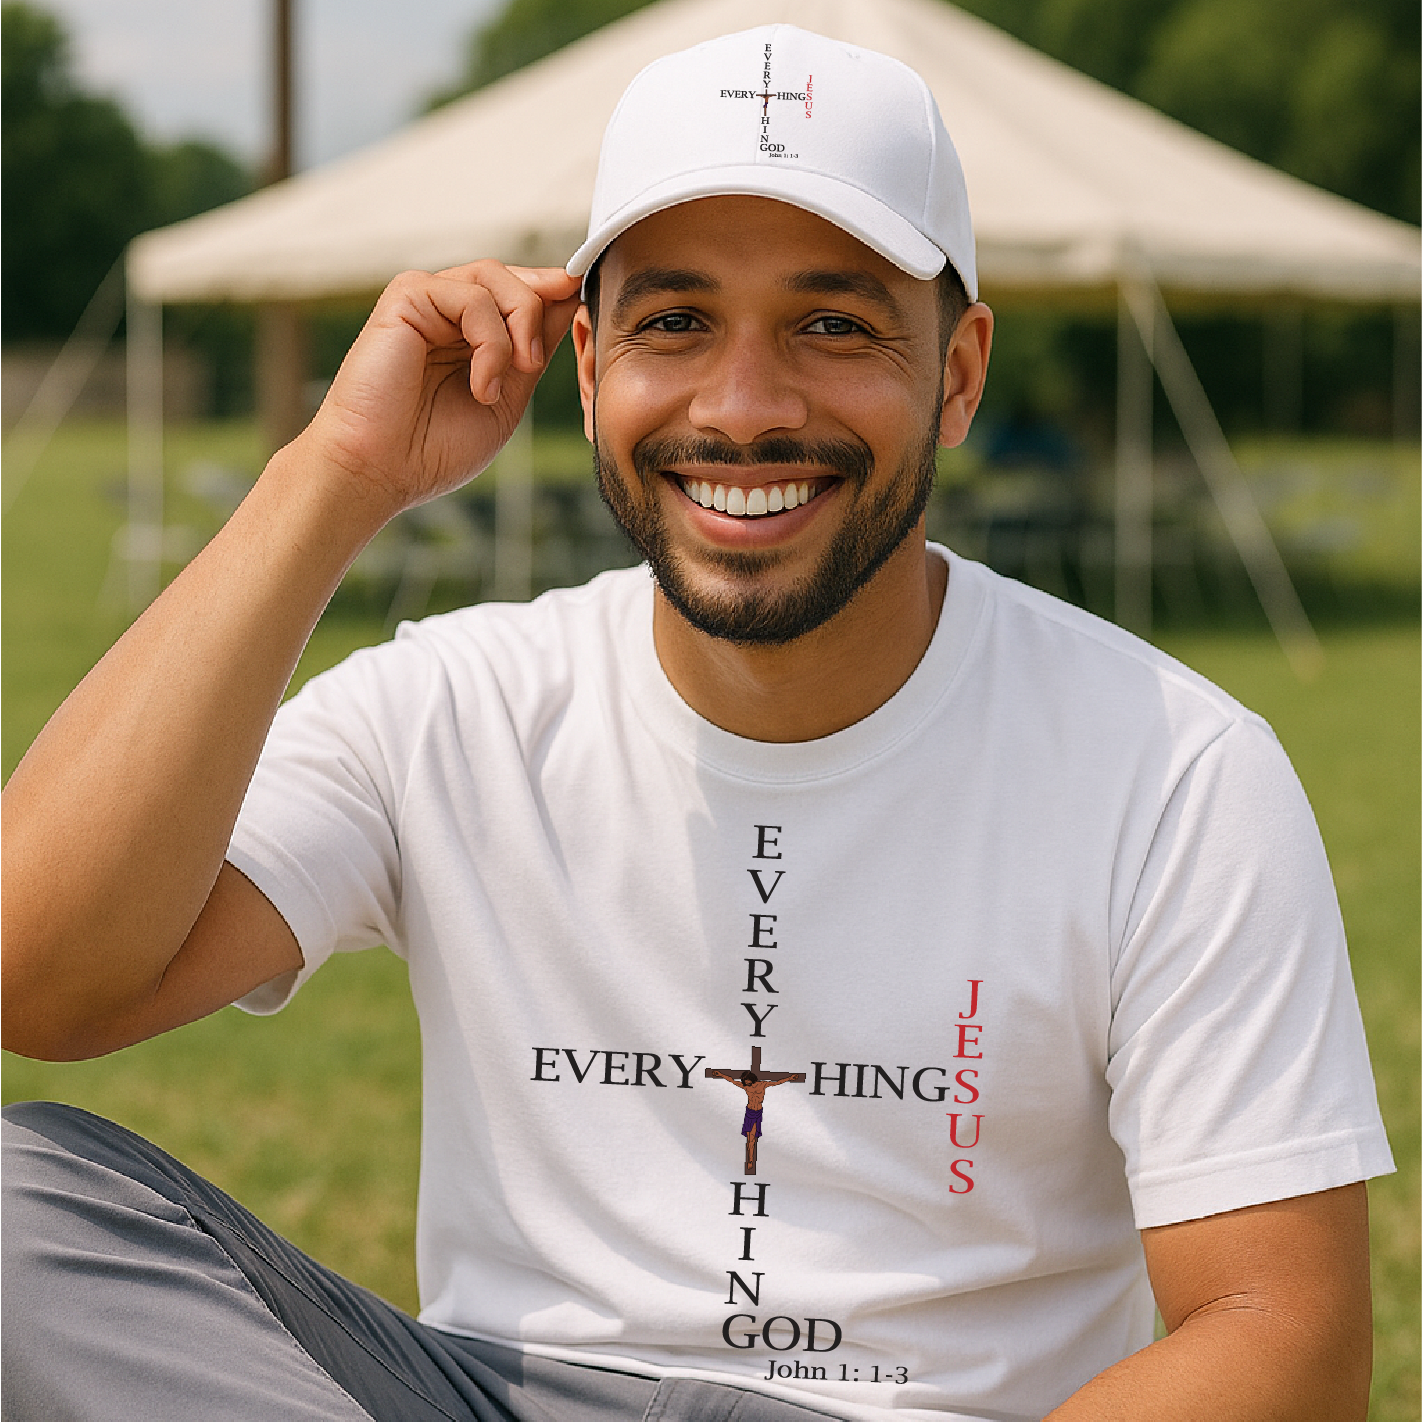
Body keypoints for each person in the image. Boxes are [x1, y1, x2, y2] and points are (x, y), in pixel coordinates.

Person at [0, 23, 1393, 1422]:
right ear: (586, 365)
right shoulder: (455, 705)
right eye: (674, 323)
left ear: (959, 372)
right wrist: (336, 475)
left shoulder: (1170, 767)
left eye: (833, 324)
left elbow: (1283, 1331)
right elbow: (42, 976)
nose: (742, 407)